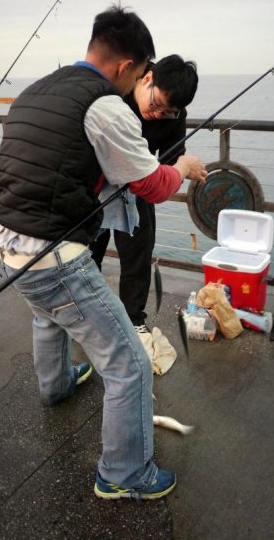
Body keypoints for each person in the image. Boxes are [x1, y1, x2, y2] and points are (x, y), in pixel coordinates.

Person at [0, 4, 207, 500]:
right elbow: (151, 184)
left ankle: (57, 385)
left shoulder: (37, 89)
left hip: (4, 244)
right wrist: (185, 166)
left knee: (50, 317)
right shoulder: (105, 104)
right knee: (127, 363)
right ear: (132, 66)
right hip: (52, 255)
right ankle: (125, 473)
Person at [90, 55, 198, 337]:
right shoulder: (119, 90)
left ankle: (134, 319)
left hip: (137, 183)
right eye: (155, 104)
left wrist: (181, 170)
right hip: (96, 185)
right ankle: (88, 314)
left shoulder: (175, 115)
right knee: (89, 253)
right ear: (147, 79)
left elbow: (172, 159)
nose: (158, 114)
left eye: (168, 112)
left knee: (139, 253)